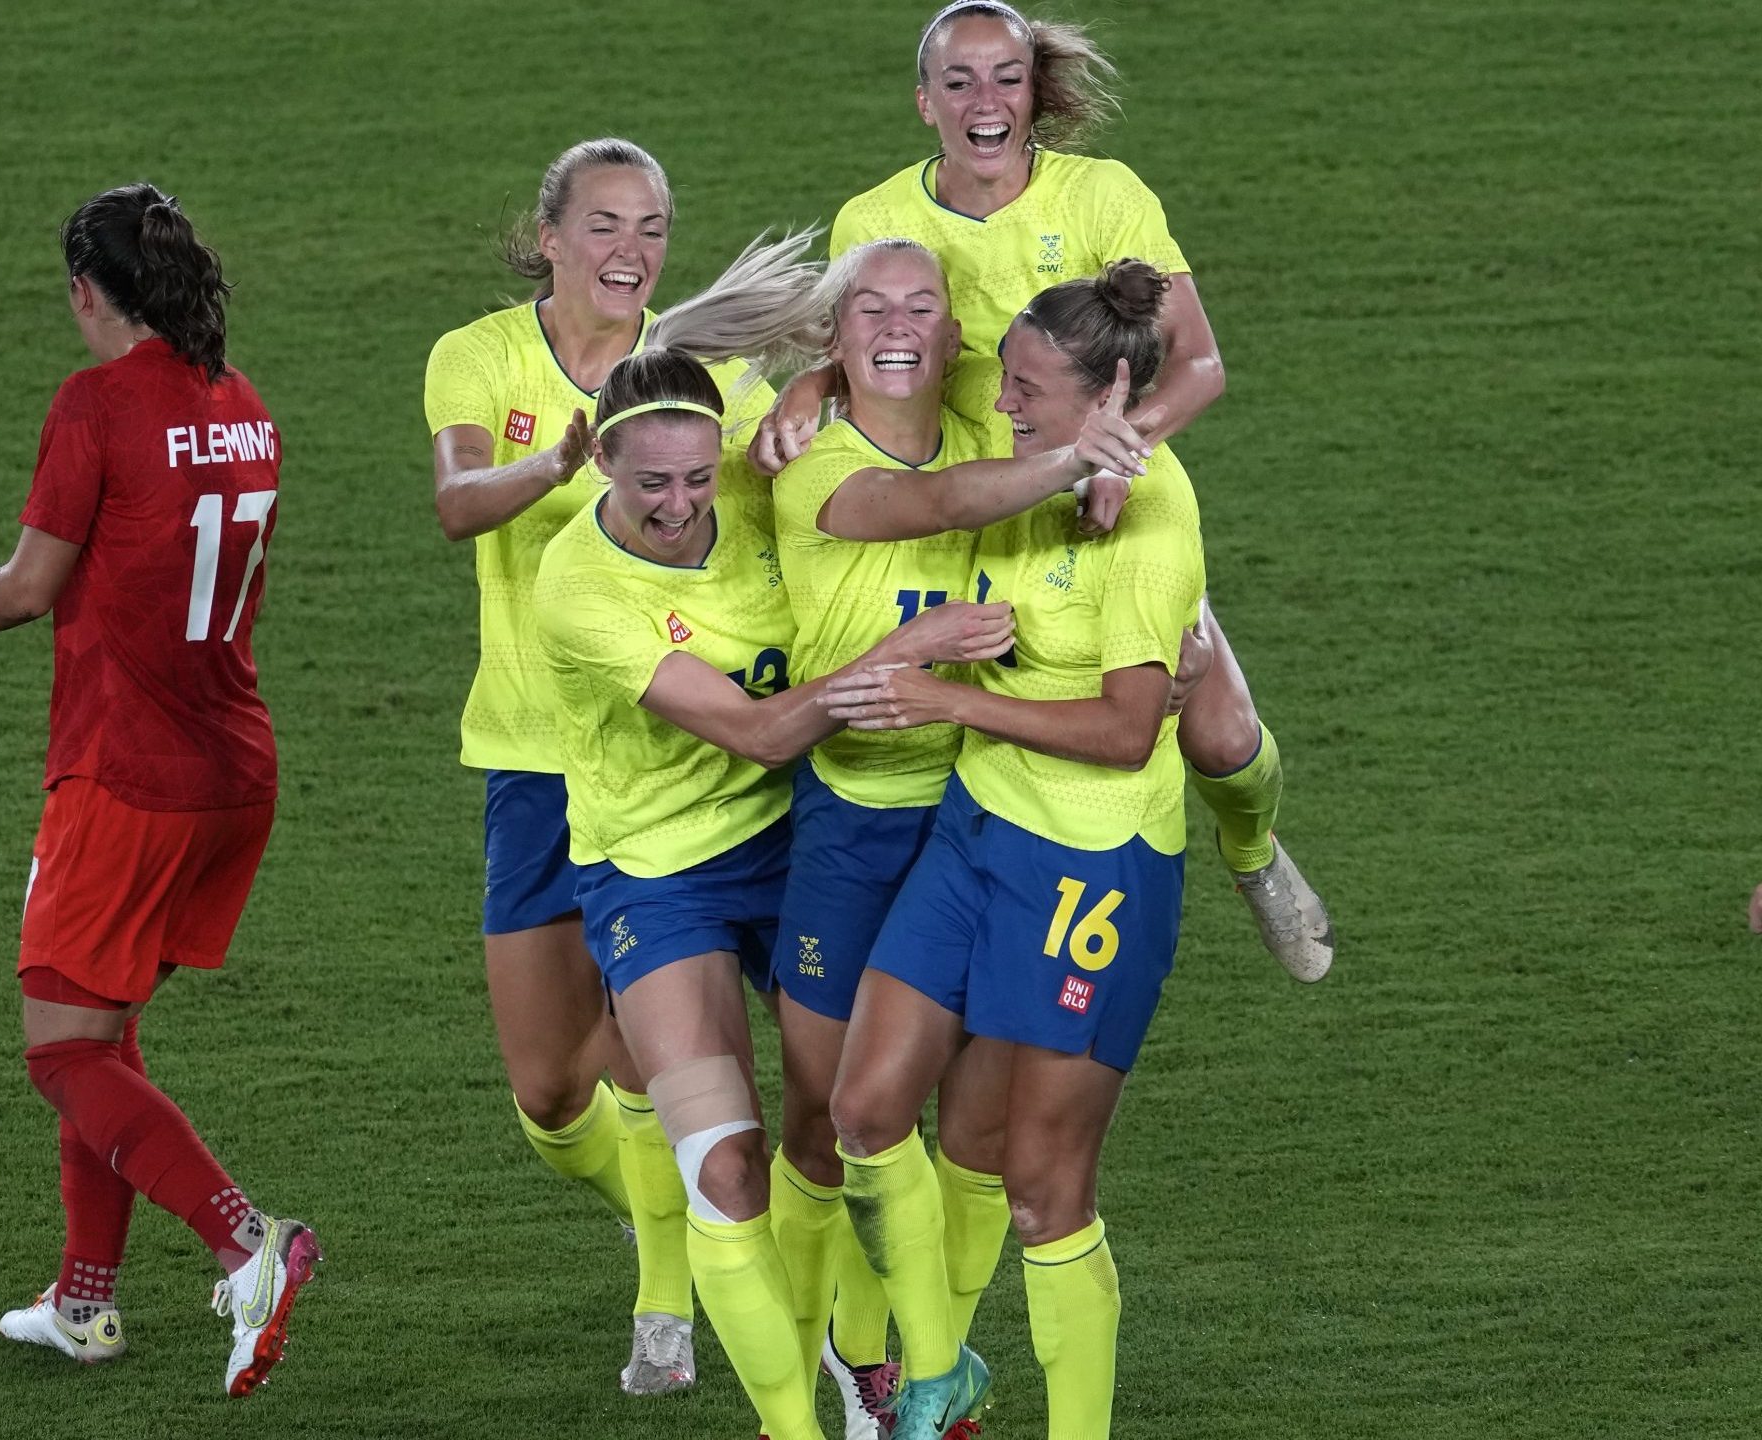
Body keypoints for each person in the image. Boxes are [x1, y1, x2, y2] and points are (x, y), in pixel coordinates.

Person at [534, 236, 1144, 1440]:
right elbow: (762, 732)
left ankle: (885, 1369)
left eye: (696, 479)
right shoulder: (581, 588)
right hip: (663, 870)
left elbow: (885, 383)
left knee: (859, 1127)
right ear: (600, 461)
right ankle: (794, 1426)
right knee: (731, 1166)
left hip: (805, 828)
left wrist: (816, 379)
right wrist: (906, 654)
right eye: (651, 485)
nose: (681, 505)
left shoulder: (755, 449)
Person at [756, 0, 1334, 989]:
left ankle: (1252, 854)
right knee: (1005, 689)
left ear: (1032, 92)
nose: (984, 101)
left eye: (1006, 78)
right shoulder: (874, 218)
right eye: (959, 82)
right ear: (925, 102)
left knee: (1219, 729)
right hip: (975, 488)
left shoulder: (1104, 195)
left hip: (1116, 477)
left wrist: (1113, 455)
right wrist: (810, 386)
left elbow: (1199, 364)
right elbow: (859, 339)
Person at [0, 184, 316, 1399]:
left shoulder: (97, 405)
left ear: (83, 292)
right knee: (101, 1030)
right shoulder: (244, 406)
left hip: (127, 778)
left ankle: (247, 1246)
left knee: (62, 1055)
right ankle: (82, 1301)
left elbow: (26, 587)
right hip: (233, 769)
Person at [761, 234, 1148, 1429]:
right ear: (834, 336)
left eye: (919, 306)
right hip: (852, 824)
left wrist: (1104, 456)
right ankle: (836, 1367)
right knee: (831, 1120)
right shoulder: (813, 465)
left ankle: (923, 1373)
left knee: (972, 1140)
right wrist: (1077, 458)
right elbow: (931, 503)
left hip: (983, 820)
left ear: (954, 332)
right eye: (868, 309)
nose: (896, 325)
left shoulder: (999, 413)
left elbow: (1105, 379)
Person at [424, 137, 773, 1395]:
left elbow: (775, 490)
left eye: (653, 228)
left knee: (649, 1046)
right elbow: (459, 502)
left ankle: (667, 1307)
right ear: (553, 237)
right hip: (532, 758)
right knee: (548, 1096)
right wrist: (560, 463)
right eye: (607, 225)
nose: (633, 251)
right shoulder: (479, 355)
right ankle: (666, 1212)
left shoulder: (700, 375)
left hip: (667, 762)